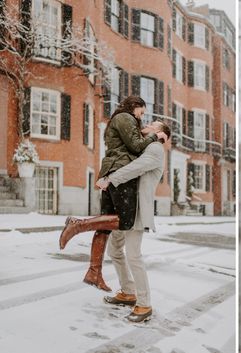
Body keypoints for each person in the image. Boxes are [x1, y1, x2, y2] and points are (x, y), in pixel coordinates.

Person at [59, 96, 163, 292]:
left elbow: (131, 145)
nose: (143, 116)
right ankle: (78, 225)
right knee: (125, 221)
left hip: (112, 172)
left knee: (105, 224)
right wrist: (155, 137)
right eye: (142, 110)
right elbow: (135, 146)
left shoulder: (121, 119)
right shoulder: (125, 117)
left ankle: (94, 272)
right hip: (121, 174)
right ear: (135, 106)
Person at [95, 120, 170, 323]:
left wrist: (110, 179)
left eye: (153, 123)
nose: (148, 123)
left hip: (136, 210)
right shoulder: (144, 146)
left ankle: (144, 304)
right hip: (125, 208)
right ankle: (128, 292)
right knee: (115, 250)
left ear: (160, 132)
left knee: (134, 255)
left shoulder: (155, 149)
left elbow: (135, 168)